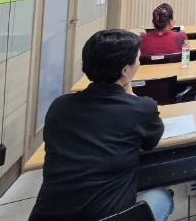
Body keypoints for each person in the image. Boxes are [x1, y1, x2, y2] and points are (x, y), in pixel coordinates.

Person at [29, 30, 173, 221]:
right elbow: (150, 143)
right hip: (111, 218)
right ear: (125, 70)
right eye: (138, 59)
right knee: (163, 195)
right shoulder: (141, 108)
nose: (139, 62)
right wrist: (130, 93)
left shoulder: (59, 106)